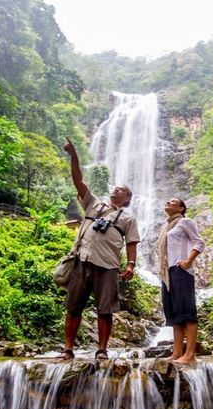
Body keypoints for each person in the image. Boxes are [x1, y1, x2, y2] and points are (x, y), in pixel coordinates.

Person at [59, 139, 140, 360]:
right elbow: (78, 180)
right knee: (73, 307)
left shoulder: (128, 218)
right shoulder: (94, 204)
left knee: (105, 310)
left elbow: (132, 243)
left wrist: (131, 264)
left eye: (122, 190)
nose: (116, 189)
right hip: (82, 260)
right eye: (116, 188)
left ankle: (102, 350)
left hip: (108, 266)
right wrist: (74, 155)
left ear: (127, 200)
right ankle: (68, 349)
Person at [158, 197, 204, 364]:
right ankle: (177, 352)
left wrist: (188, 261)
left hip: (181, 270)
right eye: (167, 201)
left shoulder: (185, 222)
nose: (168, 203)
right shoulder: (166, 226)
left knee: (187, 313)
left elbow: (199, 242)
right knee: (176, 315)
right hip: (167, 273)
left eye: (173, 201)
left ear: (181, 208)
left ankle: (190, 354)